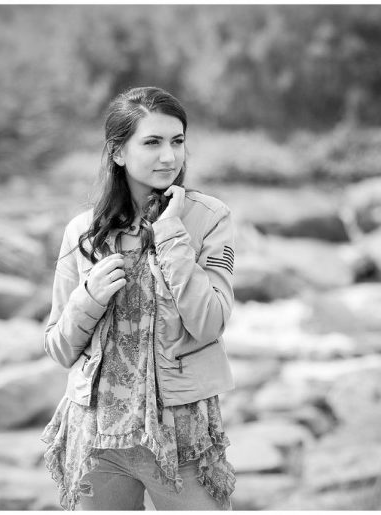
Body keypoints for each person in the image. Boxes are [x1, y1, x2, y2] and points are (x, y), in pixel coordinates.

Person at [40, 86, 237, 510]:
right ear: (118, 153)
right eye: (152, 142)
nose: (169, 157)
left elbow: (211, 322)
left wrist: (169, 234)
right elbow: (58, 345)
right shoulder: (82, 232)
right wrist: (88, 297)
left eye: (177, 141)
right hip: (97, 439)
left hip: (182, 437)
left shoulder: (209, 219)